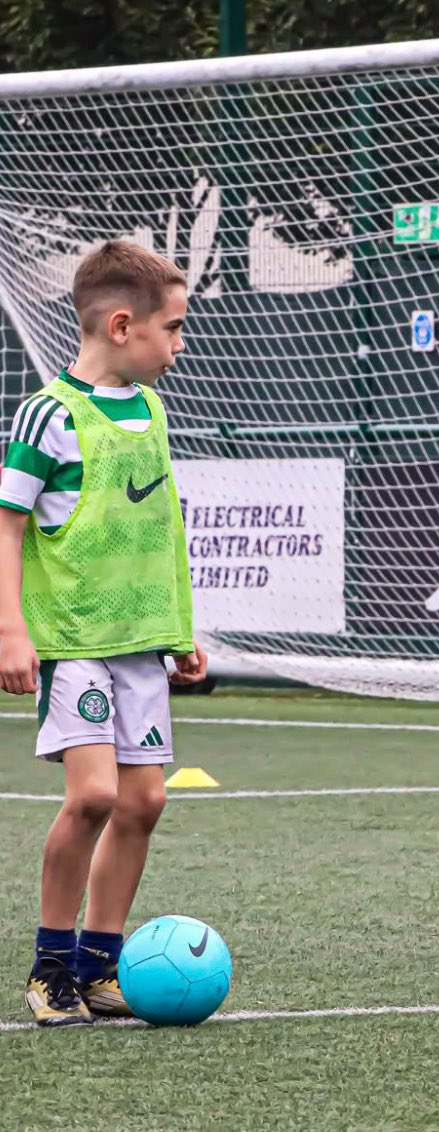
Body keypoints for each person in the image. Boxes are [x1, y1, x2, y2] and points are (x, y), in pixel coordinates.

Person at [0, 240, 208, 1025]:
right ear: (123, 325)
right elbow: (8, 524)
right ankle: (50, 965)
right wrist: (10, 630)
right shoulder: (49, 414)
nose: (179, 346)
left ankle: (99, 966)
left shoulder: (151, 410)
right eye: (174, 329)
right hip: (75, 640)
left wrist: (180, 628)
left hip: (141, 642)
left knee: (144, 800)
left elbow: (160, 528)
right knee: (92, 794)